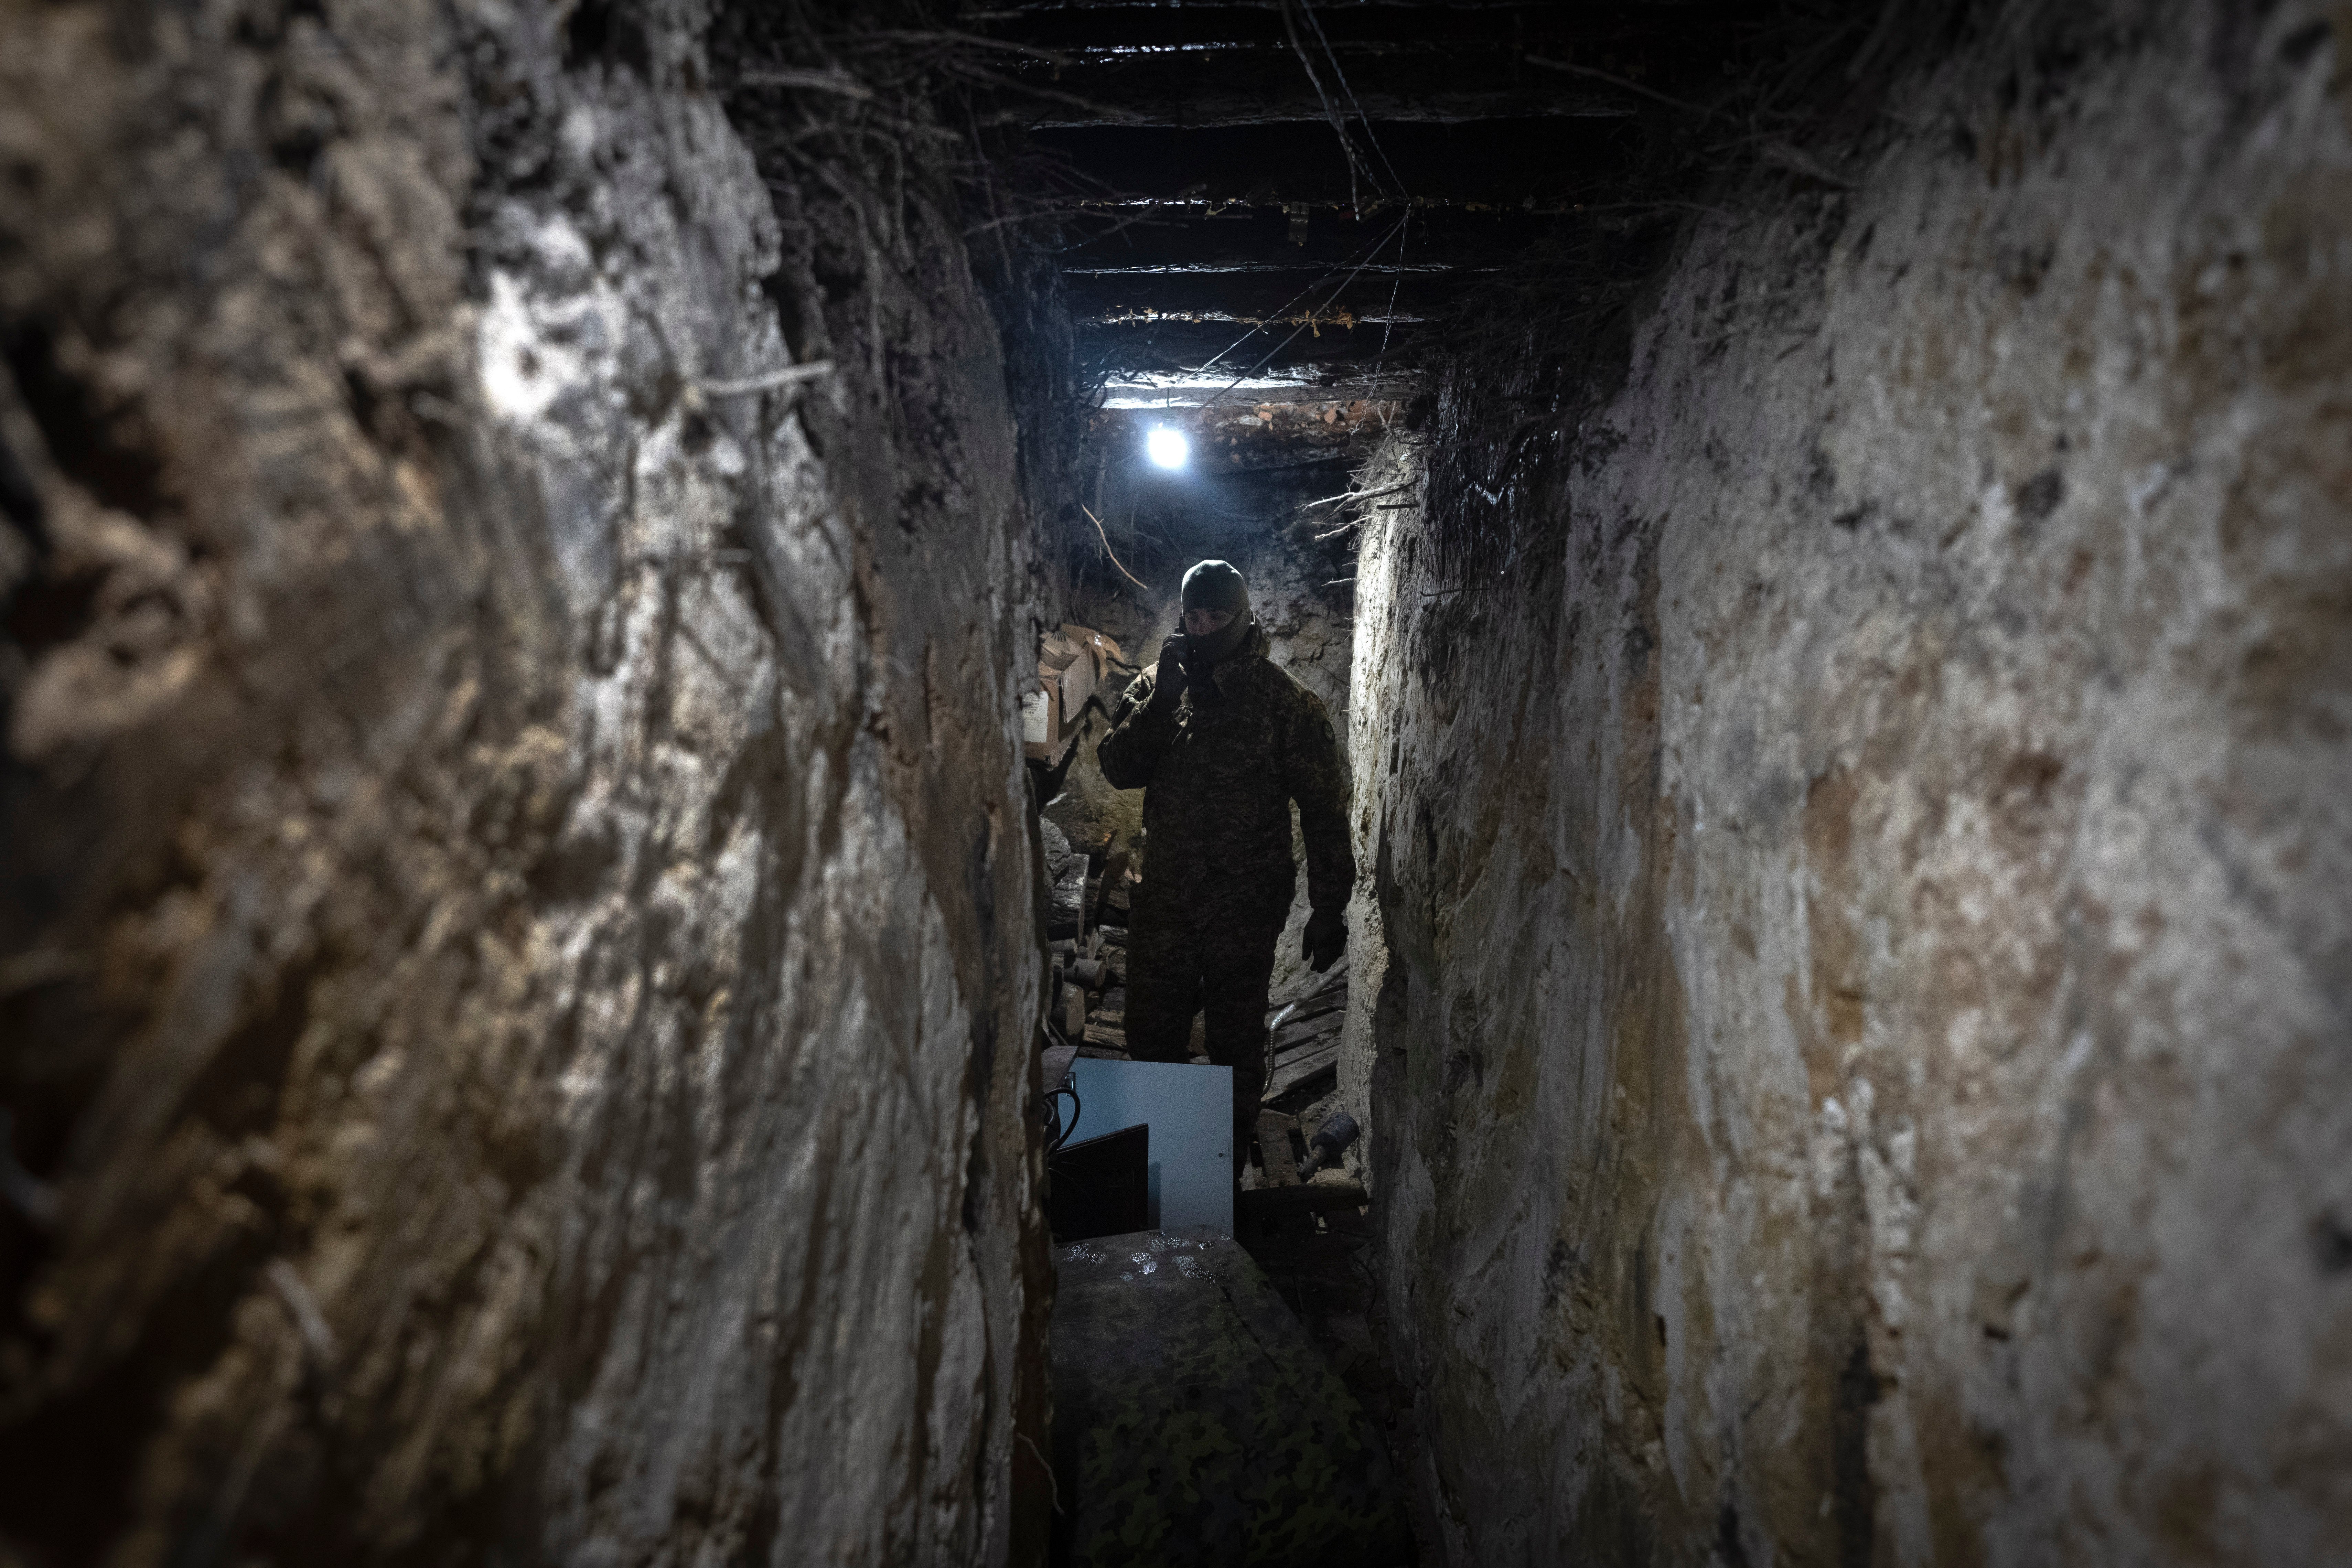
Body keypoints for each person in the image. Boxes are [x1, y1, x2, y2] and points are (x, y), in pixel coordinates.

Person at [1096, 559, 1354, 1174]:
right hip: (1166, 902)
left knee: (1234, 1046)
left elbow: (1323, 808)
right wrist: (1160, 703)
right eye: (1194, 615)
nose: (1204, 627)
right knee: (1152, 1036)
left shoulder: (1283, 703)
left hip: (1244, 906)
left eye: (1217, 616)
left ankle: (1221, 1176)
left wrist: (1328, 905)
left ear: (1243, 617)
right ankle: (1157, 1173)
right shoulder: (1161, 686)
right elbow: (1118, 768)